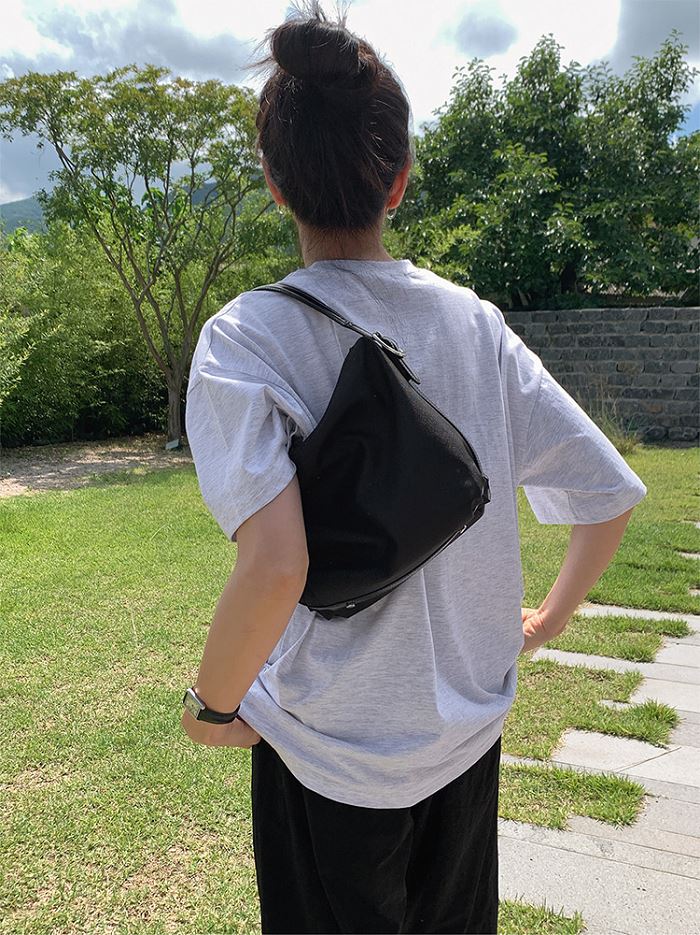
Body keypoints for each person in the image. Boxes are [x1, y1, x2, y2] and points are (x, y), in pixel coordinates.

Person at [180, 2, 648, 933]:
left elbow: (276, 565)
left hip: (325, 754)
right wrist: (546, 621)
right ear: (399, 180)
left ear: (274, 183)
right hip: (467, 743)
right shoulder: (475, 324)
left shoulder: (245, 339)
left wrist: (212, 705)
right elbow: (605, 495)